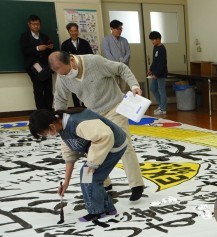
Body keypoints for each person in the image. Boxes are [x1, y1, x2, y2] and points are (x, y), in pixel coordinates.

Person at [49, 51, 145, 201]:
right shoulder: (63, 78)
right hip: (93, 114)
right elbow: (60, 100)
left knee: (124, 144)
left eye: (67, 72)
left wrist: (134, 86)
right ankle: (104, 183)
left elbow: (121, 68)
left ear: (71, 60)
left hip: (114, 107)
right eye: (62, 74)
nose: (67, 76)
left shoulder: (95, 62)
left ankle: (136, 184)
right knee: (95, 149)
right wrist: (58, 121)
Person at [28, 108, 127, 222]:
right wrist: (66, 182)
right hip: (102, 146)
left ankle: (97, 211)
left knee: (89, 177)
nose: (46, 136)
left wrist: (92, 163)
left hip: (114, 145)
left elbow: (105, 136)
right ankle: (108, 209)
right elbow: (70, 154)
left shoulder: (78, 122)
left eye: (44, 133)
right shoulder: (61, 126)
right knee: (88, 176)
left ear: (51, 126)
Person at [19, 15, 54, 110]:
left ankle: (49, 111)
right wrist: (37, 48)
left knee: (48, 90)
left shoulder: (44, 36)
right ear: (29, 24)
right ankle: (41, 112)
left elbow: (51, 52)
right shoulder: (25, 36)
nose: (36, 26)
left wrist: (51, 48)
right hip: (33, 67)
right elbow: (25, 51)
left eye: (38, 24)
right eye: (33, 24)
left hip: (46, 67)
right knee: (38, 90)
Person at [60, 23, 93, 107]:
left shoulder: (85, 43)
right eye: (72, 31)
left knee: (86, 91)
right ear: (68, 32)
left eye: (75, 31)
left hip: (84, 71)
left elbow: (91, 56)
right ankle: (77, 108)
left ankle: (86, 108)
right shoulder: (64, 44)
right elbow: (63, 59)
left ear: (78, 31)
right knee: (75, 92)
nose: (74, 33)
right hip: (72, 73)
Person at [102, 20, 131, 93]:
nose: (120, 31)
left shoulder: (124, 40)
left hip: (123, 67)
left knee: (124, 89)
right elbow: (107, 54)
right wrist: (117, 64)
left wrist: (123, 62)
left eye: (121, 29)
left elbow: (128, 53)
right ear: (112, 29)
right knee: (114, 89)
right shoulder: (106, 40)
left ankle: (124, 100)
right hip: (112, 67)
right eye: (118, 29)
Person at [147, 31, 168, 115]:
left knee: (161, 90)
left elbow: (162, 63)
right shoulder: (155, 47)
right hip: (155, 73)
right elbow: (155, 61)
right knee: (153, 88)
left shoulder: (162, 49)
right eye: (151, 40)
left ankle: (163, 109)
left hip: (161, 74)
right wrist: (151, 69)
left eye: (153, 40)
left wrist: (157, 74)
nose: (152, 42)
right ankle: (161, 105)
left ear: (158, 39)